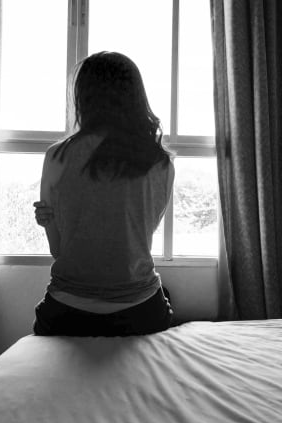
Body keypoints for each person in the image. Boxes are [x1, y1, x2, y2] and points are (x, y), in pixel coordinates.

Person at [31, 51, 175, 337]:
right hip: (139, 312)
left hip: (68, 311)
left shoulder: (57, 156)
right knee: (163, 294)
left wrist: (49, 221)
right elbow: (138, 240)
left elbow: (58, 251)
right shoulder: (161, 162)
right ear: (136, 97)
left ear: (84, 97)